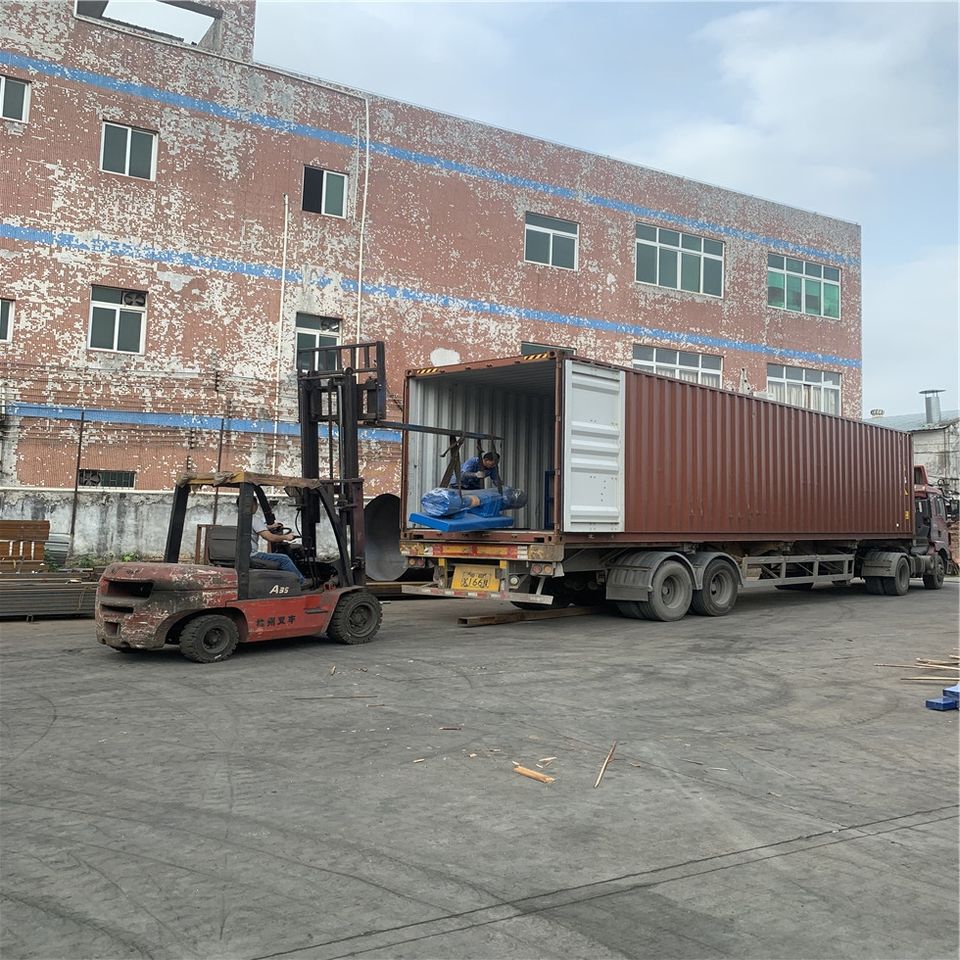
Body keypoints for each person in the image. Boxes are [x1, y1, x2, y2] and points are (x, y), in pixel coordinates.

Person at [246, 499, 306, 585]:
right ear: (253, 505)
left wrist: (268, 527)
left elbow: (252, 528)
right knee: (284, 559)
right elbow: (270, 537)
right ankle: (301, 582)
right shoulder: (254, 520)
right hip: (251, 556)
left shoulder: (233, 518)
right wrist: (287, 537)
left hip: (234, 557)